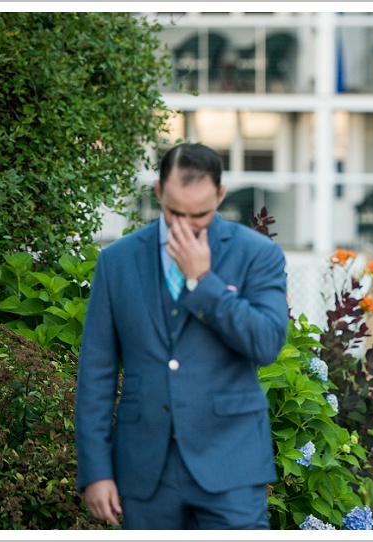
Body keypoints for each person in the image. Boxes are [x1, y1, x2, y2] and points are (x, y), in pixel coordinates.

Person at [75, 143, 288, 529]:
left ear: (220, 195)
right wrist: (95, 470)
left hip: (231, 464)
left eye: (201, 215)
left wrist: (203, 281)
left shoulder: (257, 254)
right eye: (174, 213)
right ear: (158, 192)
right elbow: (96, 373)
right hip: (146, 470)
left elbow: (267, 344)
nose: (186, 226)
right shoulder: (116, 262)